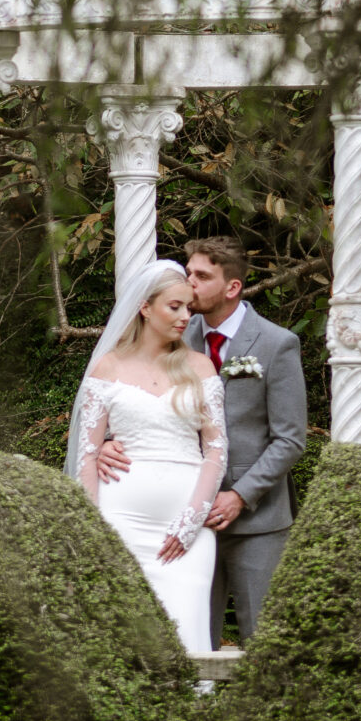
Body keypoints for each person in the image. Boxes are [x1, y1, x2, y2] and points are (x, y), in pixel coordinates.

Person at [94, 234, 306, 645]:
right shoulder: (172, 332)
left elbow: (290, 439)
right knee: (186, 632)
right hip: (177, 514)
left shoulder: (277, 344)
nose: (189, 284)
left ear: (232, 287)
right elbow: (131, 398)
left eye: (202, 276)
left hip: (254, 519)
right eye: (188, 273)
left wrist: (239, 495)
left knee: (259, 640)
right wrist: (104, 442)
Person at [66, 258, 227, 653]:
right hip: (121, 521)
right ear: (145, 307)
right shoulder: (108, 367)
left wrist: (191, 521)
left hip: (185, 531)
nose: (185, 316)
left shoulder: (199, 367)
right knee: (122, 634)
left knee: (186, 630)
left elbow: (217, 450)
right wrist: (92, 528)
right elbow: (87, 455)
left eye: (188, 307)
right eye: (175, 307)